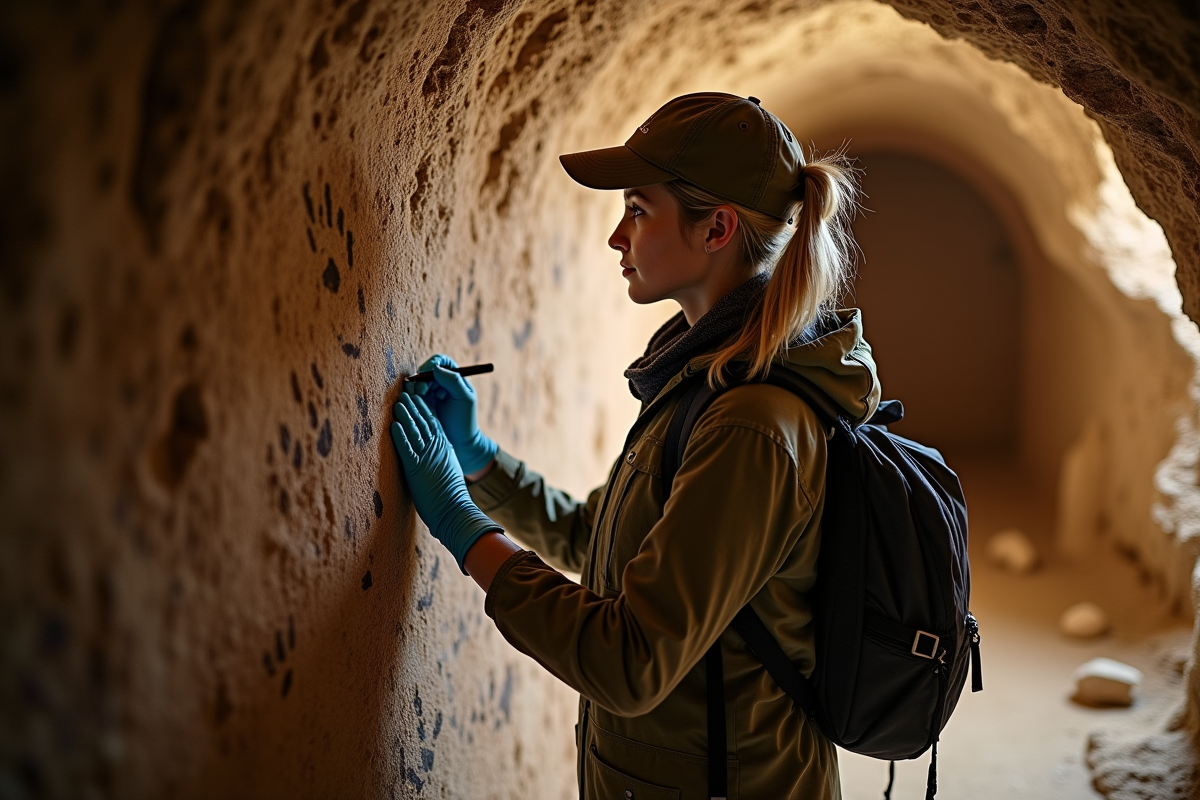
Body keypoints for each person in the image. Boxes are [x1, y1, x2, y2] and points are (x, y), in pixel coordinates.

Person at [390, 92, 879, 800]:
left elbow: (630, 662)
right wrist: (476, 459)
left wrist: (464, 528)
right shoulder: (701, 377)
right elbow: (600, 541)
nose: (617, 237)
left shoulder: (751, 426)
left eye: (638, 210)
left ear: (717, 227)